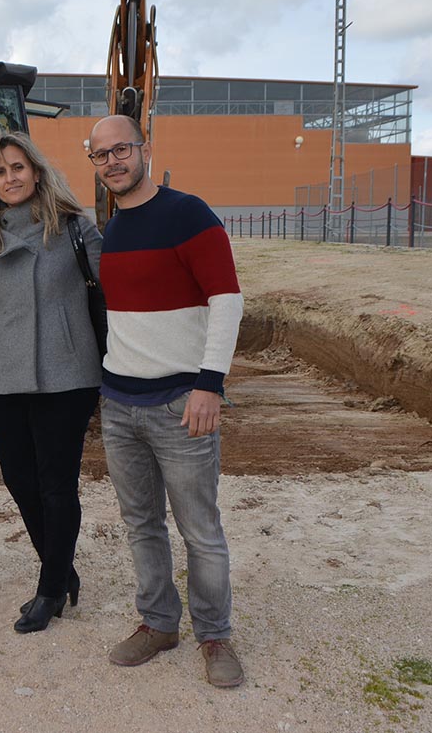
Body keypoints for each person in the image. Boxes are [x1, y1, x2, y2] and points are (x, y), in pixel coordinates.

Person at [88, 114, 245, 687]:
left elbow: (227, 301)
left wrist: (210, 384)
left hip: (182, 402)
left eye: (121, 150)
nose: (112, 163)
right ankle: (159, 623)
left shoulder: (188, 214)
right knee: (141, 524)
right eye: (100, 156)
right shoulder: (112, 229)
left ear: (145, 149)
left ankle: (214, 634)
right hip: (120, 403)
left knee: (199, 527)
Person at [0, 132, 102, 633]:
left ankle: (49, 589)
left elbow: (116, 288)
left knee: (56, 484)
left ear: (37, 171)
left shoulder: (74, 229)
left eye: (18, 168)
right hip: (7, 374)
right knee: (18, 479)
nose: (11, 178)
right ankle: (62, 566)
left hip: (67, 374)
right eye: (1, 172)